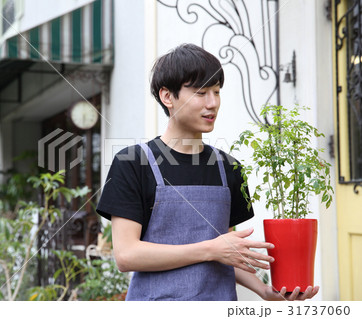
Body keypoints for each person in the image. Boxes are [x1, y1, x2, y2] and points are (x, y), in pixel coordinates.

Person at [96, 43, 319, 301]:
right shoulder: (132, 163)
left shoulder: (228, 168)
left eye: (217, 92)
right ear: (167, 96)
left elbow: (226, 251)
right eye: (201, 93)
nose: (212, 103)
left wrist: (264, 290)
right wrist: (211, 249)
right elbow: (127, 255)